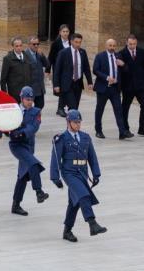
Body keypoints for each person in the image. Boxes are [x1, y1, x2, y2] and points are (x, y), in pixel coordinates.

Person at [50, 110, 107, 242]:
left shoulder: (86, 137)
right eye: (76, 122)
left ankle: (67, 231)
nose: (78, 125)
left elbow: (92, 157)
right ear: (68, 122)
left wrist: (96, 173)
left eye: (79, 122)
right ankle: (92, 223)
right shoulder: (61, 139)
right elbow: (56, 158)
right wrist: (55, 177)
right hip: (69, 172)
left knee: (74, 203)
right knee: (83, 195)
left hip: (82, 173)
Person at [9, 86, 49, 215]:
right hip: (17, 146)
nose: (30, 101)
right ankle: (39, 192)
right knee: (33, 164)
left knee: (23, 175)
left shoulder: (36, 111)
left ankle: (16, 205)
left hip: (28, 146)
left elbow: (34, 127)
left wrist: (20, 133)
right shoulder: (14, 110)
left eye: (31, 99)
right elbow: (8, 124)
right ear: (21, 98)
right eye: (27, 99)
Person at [91, 38, 129, 139]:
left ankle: (122, 132)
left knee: (118, 110)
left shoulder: (118, 56)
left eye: (114, 46)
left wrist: (123, 64)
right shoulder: (100, 56)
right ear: (106, 46)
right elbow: (95, 70)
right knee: (100, 110)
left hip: (115, 89)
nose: (112, 48)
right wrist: (107, 78)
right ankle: (98, 131)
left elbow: (126, 70)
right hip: (103, 88)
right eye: (110, 45)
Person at [52, 32, 91, 117]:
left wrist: (90, 82)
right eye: (76, 42)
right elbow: (57, 70)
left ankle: (70, 123)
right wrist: (56, 85)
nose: (78, 44)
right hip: (67, 84)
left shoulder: (82, 52)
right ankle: (73, 121)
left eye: (80, 42)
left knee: (75, 106)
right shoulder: (63, 53)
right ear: (71, 41)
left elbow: (86, 68)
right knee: (73, 106)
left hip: (78, 83)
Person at [118, 34, 144, 136]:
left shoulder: (142, 52)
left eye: (134, 44)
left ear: (136, 43)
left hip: (141, 86)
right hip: (127, 86)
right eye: (130, 44)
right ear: (126, 43)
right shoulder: (121, 53)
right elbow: (121, 70)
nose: (132, 46)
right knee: (125, 108)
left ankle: (142, 129)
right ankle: (125, 129)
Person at [0, 37, 32, 102]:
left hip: (26, 92)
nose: (19, 48)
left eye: (20, 45)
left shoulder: (27, 56)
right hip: (15, 94)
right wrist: (5, 93)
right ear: (13, 46)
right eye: (16, 46)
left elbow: (30, 73)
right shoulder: (7, 59)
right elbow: (3, 79)